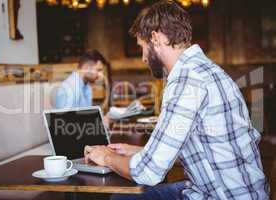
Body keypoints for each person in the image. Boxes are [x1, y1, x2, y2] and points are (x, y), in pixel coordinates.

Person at [83, 1, 270, 200]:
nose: (144, 58)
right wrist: (143, 151)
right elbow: (203, 150)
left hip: (222, 196)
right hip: (239, 191)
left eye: (142, 47)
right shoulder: (205, 69)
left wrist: (106, 156)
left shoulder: (186, 80)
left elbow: (148, 173)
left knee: (122, 199)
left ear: (155, 38)